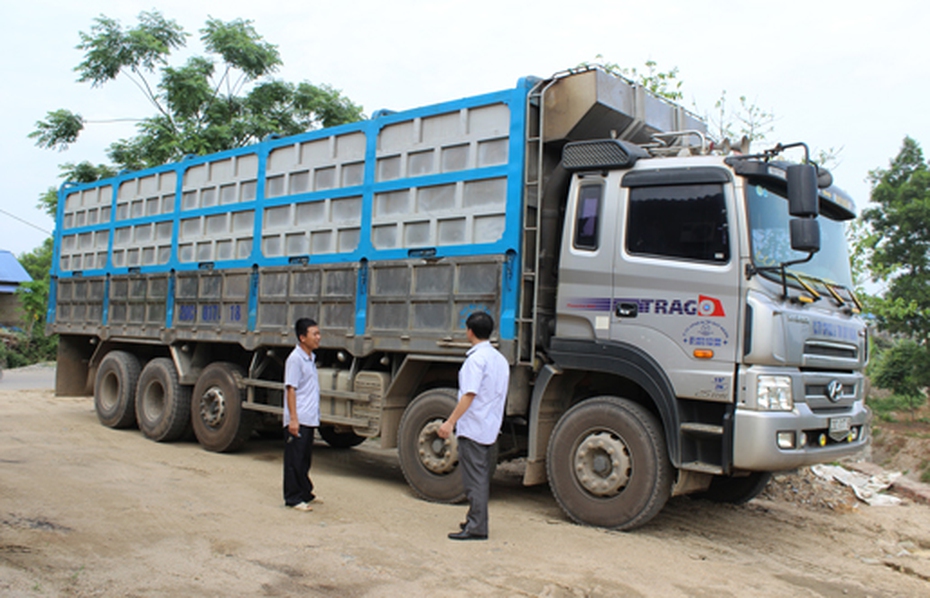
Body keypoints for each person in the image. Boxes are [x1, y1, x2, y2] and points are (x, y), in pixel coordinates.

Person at [438, 311, 510, 540]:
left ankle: (477, 527)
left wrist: (450, 422)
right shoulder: (499, 359)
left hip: (474, 427)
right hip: (490, 426)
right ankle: (474, 519)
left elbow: (469, 394)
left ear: (469, 331)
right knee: (481, 476)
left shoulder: (475, 360)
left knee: (474, 480)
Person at [283, 317, 322, 511]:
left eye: (318, 333)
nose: (318, 337)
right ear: (302, 337)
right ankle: (293, 498)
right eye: (314, 334)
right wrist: (293, 419)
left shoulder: (310, 358)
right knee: (294, 460)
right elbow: (291, 389)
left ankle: (305, 492)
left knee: (304, 459)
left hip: (309, 417)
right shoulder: (295, 359)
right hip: (298, 418)